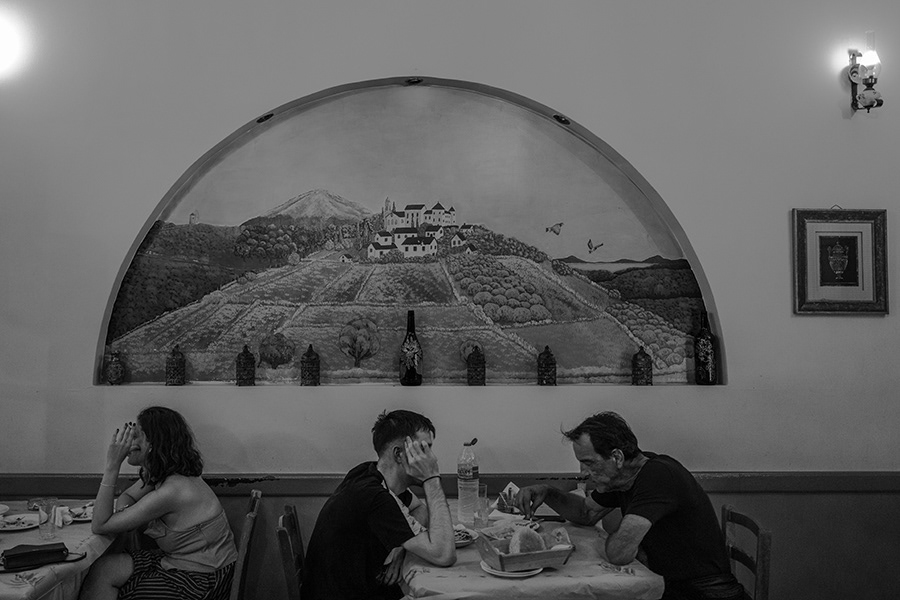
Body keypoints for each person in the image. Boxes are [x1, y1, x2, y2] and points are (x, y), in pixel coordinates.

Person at [514, 411, 743, 600]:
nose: (583, 473)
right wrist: (547, 491)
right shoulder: (627, 476)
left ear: (617, 457)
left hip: (702, 592)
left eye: (589, 463)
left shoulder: (657, 475)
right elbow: (585, 511)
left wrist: (625, 540)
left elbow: (619, 553)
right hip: (669, 584)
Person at [79, 407, 237, 600]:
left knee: (124, 591)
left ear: (153, 444)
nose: (127, 442)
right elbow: (128, 496)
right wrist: (126, 515)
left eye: (135, 436)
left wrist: (112, 465)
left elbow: (100, 525)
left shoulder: (172, 491)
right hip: (179, 561)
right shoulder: (162, 475)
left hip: (201, 579)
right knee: (103, 568)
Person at [302, 409, 456, 600]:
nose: (432, 459)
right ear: (399, 454)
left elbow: (419, 508)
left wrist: (403, 546)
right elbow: (444, 555)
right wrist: (431, 478)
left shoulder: (369, 473)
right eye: (424, 449)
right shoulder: (374, 496)